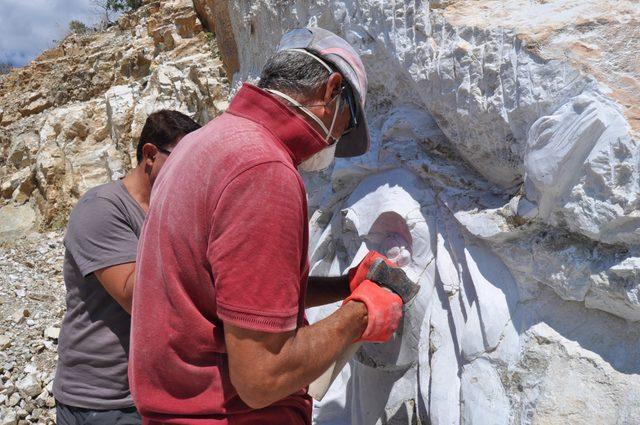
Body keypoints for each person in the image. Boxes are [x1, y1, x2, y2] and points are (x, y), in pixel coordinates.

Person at [129, 28, 404, 424]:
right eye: (346, 125)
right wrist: (360, 314)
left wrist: (344, 286)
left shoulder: (204, 142)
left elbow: (233, 294)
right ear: (332, 90)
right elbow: (262, 376)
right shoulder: (262, 169)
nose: (336, 142)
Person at [53, 110, 202, 425]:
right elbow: (137, 296)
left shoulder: (173, 208)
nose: (193, 172)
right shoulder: (102, 209)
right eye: (184, 161)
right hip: (103, 401)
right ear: (150, 154)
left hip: (153, 393)